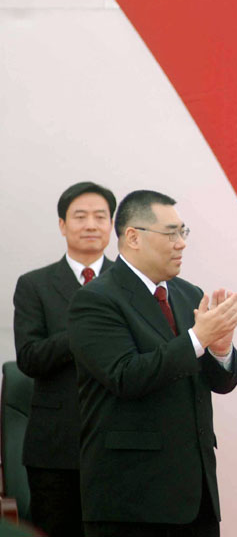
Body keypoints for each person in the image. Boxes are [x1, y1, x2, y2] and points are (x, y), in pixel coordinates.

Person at [68, 190, 237, 537]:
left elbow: (220, 383)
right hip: (132, 499)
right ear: (133, 237)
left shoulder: (188, 293)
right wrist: (197, 340)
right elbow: (125, 376)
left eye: (183, 232)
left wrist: (220, 349)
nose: (181, 243)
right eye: (171, 233)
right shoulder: (95, 299)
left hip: (196, 495)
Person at [13, 181, 117, 537]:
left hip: (119, 442)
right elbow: (29, 358)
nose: (91, 225)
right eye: (80, 216)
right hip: (56, 448)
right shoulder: (34, 285)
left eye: (100, 217)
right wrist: (82, 331)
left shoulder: (131, 284)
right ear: (62, 225)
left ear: (112, 225)